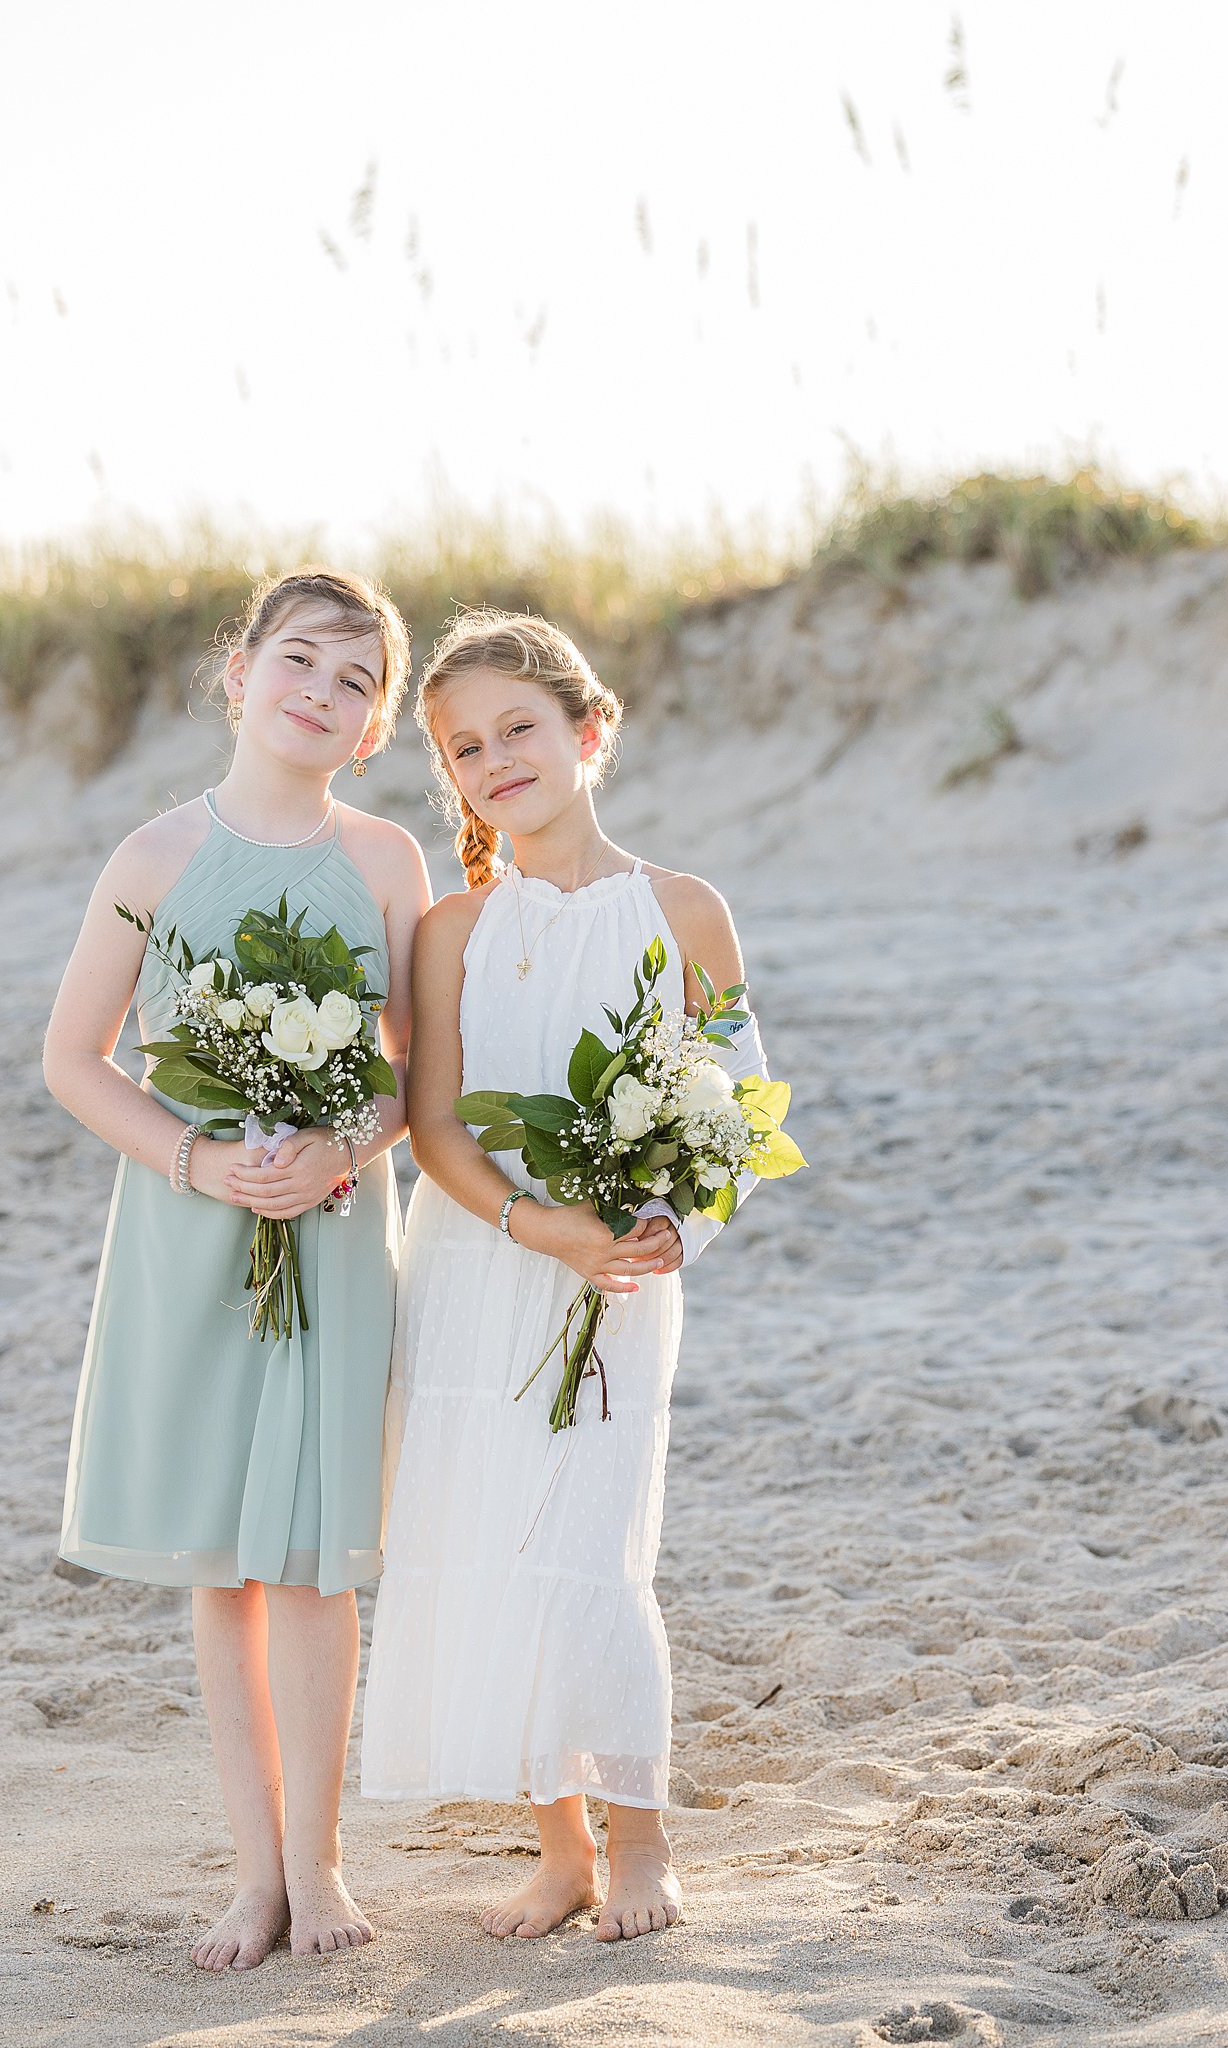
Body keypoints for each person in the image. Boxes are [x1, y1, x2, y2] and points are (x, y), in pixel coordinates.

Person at [360, 609, 771, 1942]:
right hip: (482, 1271)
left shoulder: (685, 909)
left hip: (623, 1284)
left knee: (594, 1549)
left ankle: (641, 1840)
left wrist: (669, 1225)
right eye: (465, 749)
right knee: (486, 1539)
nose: (495, 761)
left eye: (518, 730)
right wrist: (546, 1230)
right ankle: (561, 1849)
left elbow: (738, 1105)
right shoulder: (453, 928)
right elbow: (435, 1128)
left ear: (590, 732)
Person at [43, 568, 431, 1969]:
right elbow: (72, 1060)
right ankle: (254, 1876)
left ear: (373, 727)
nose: (321, 696)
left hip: (330, 1235)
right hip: (188, 1232)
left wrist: (342, 1148)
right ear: (238, 671)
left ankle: (323, 1871)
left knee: (314, 1561)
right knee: (226, 1567)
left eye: (354, 683)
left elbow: (415, 1074)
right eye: (301, 663)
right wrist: (201, 1165)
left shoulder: (388, 860)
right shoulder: (152, 857)